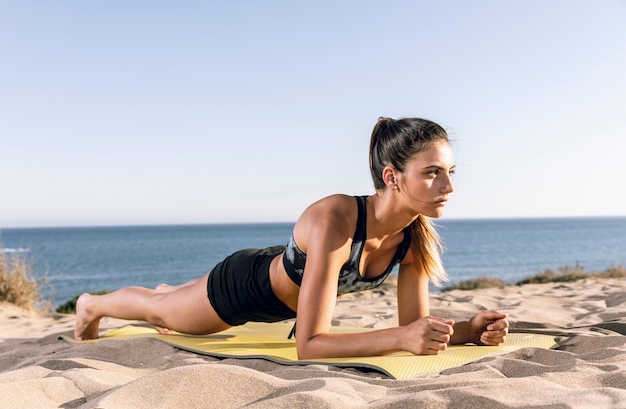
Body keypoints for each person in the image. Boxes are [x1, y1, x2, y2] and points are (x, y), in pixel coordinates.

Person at [74, 117, 509, 359]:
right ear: (392, 177)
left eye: (450, 173)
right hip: (244, 291)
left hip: (278, 266)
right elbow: (310, 345)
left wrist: (468, 331)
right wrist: (400, 339)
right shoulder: (337, 216)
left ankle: (175, 292)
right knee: (158, 310)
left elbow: (410, 327)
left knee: (170, 300)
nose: (448, 187)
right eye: (432, 173)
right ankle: (91, 304)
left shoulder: (414, 237)